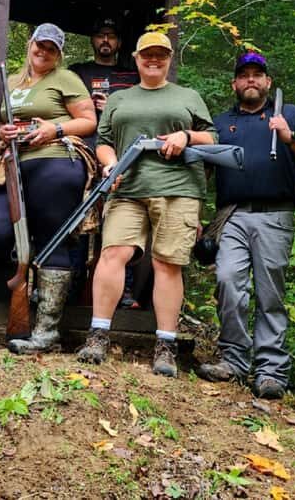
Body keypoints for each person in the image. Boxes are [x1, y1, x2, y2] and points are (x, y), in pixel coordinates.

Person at [76, 31, 217, 376]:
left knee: (167, 263)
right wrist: (110, 165)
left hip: (178, 187)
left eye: (161, 55)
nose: (154, 60)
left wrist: (185, 137)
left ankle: (165, 345)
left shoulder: (188, 96)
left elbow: (212, 138)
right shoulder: (119, 99)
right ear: (136, 59)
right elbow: (104, 142)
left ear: (169, 60)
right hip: (127, 187)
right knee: (113, 254)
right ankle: (97, 335)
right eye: (147, 55)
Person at [197, 51, 295, 399]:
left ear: (267, 81)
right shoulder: (219, 123)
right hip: (231, 215)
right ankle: (234, 359)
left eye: (257, 75)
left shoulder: (290, 114)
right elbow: (203, 172)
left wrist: (288, 137)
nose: (251, 80)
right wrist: (195, 217)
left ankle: (270, 371)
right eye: (244, 75)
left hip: (275, 215)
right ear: (235, 83)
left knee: (270, 294)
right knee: (227, 280)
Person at [0, 23, 97, 354]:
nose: (43, 51)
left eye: (51, 48)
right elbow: (1, 121)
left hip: (57, 162)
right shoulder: (12, 81)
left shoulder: (66, 79)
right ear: (30, 45)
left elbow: (89, 121)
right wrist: (4, 133)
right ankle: (25, 279)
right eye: (39, 45)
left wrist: (54, 129)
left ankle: (46, 333)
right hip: (14, 165)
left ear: (58, 53)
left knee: (52, 239)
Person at [69, 17, 142, 308]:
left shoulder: (131, 76)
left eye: (111, 36)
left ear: (119, 43)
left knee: (120, 224)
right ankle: (70, 289)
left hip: (119, 157)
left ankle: (123, 291)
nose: (106, 41)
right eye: (101, 35)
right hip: (80, 157)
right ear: (93, 40)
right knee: (74, 222)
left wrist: (113, 105)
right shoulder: (77, 73)